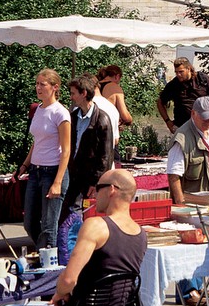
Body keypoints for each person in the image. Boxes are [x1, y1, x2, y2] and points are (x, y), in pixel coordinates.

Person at [49, 169, 147, 306]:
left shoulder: (95, 226)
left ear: (111, 189)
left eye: (98, 188)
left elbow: (69, 280)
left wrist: (59, 293)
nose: (94, 194)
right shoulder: (141, 233)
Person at [12, 68, 71, 251]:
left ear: (55, 87)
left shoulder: (60, 113)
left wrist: (58, 181)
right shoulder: (38, 109)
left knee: (48, 224)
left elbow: (66, 149)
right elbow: (37, 142)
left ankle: (49, 262)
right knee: (29, 221)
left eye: (42, 84)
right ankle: (43, 252)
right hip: (35, 170)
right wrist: (24, 165)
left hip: (52, 171)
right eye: (37, 84)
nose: (38, 88)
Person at [59, 74, 114, 263]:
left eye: (74, 93)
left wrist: (96, 182)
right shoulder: (73, 116)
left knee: (74, 215)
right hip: (73, 174)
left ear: (84, 93)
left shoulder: (102, 119)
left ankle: (75, 257)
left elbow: (106, 155)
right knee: (69, 215)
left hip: (88, 177)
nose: (71, 96)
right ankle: (72, 254)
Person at [157, 58, 209, 134]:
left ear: (189, 69)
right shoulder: (174, 84)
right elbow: (160, 102)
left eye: (181, 72)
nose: (178, 75)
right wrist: (168, 122)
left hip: (202, 126)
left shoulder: (202, 79)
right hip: (182, 127)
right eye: (176, 72)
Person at [97, 64, 134, 146]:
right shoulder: (114, 87)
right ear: (117, 76)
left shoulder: (95, 86)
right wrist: (129, 121)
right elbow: (125, 116)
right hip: (108, 132)